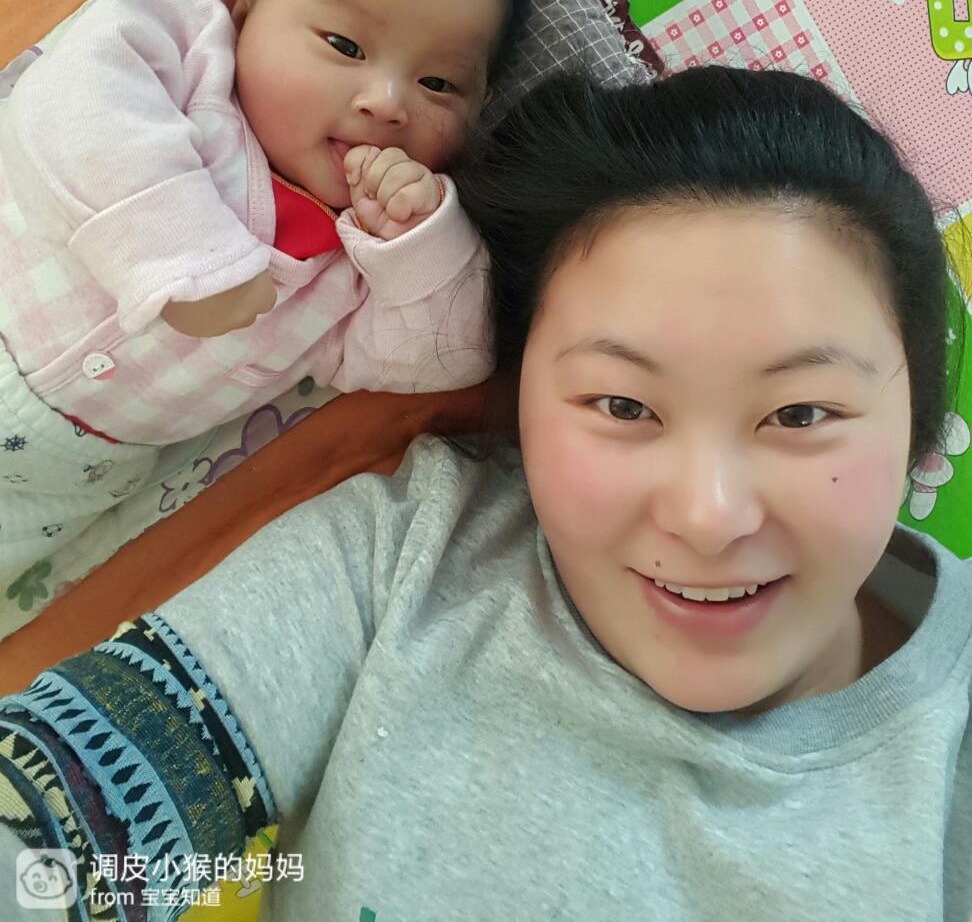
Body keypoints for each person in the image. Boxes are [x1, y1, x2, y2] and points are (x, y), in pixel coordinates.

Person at [1, 65, 970, 921]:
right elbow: (60, 821)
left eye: (800, 415)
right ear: (518, 399)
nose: (709, 517)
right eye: (622, 405)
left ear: (918, 425)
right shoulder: (404, 566)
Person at [0, 0, 530, 580]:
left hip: (63, 476)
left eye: (439, 83)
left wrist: (423, 244)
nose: (387, 101)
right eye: (345, 45)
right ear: (241, 12)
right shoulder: (182, 55)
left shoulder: (355, 274)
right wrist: (184, 259)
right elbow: (70, 106)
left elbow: (443, 361)